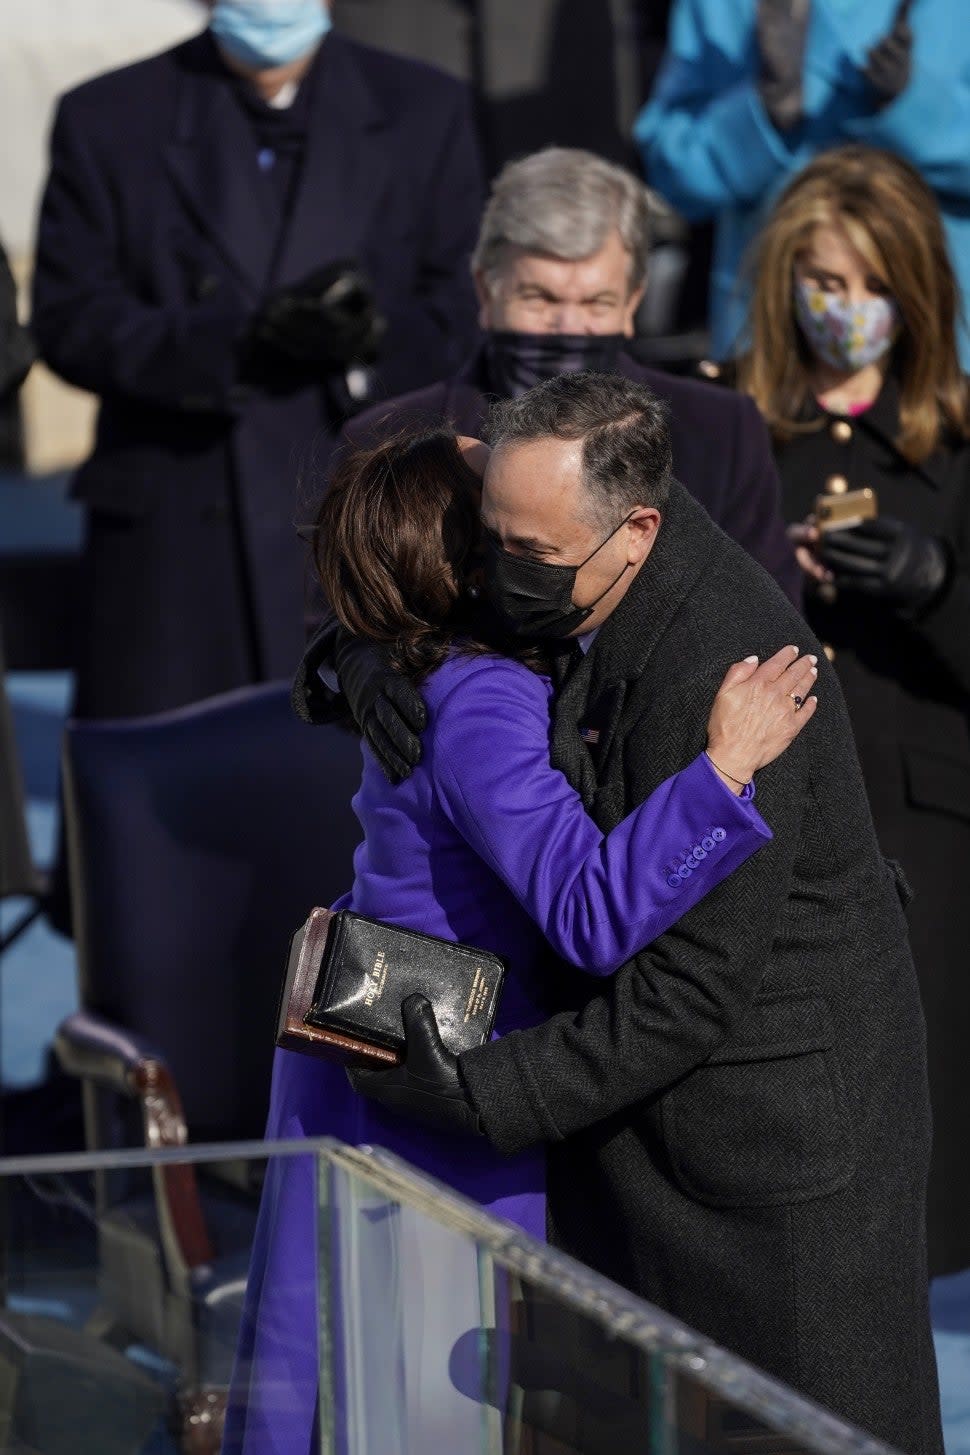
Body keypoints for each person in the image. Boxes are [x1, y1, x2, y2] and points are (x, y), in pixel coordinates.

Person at [340, 373, 941, 1453]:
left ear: (636, 530)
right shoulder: (579, 550)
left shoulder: (731, 679)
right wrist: (359, 657)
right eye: (493, 541)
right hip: (649, 1141)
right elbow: (409, 552)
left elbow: (686, 988)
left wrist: (482, 1095)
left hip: (768, 1165)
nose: (499, 574)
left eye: (530, 556)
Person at [225, 426, 816, 1453]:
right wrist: (720, 775)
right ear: (463, 558)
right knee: (432, 1402)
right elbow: (590, 913)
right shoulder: (482, 698)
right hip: (433, 1088)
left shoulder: (424, 668)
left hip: (371, 1045)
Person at [30, 0, 482, 721]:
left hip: (365, 516)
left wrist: (360, 347)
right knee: (163, 795)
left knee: (347, 797)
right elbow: (69, 317)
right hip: (177, 536)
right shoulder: (108, 115)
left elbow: (460, 304)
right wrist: (233, 344)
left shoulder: (424, 107)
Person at [721, 144, 970, 1280]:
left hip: (924, 834)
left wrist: (934, 585)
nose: (850, 312)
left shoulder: (955, 448)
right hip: (765, 827)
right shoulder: (730, 431)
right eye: (826, 282)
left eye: (874, 286)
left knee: (922, 1170)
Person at [309, 146, 799, 644]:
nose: (567, 327)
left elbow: (770, 628)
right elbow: (329, 627)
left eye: (595, 302)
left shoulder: (719, 431)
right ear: (485, 290)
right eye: (539, 298)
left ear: (633, 301)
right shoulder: (384, 440)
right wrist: (359, 661)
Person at [635, 0, 970, 365]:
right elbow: (671, 171)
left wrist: (918, 110)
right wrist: (761, 111)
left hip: (938, 350)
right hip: (764, 347)